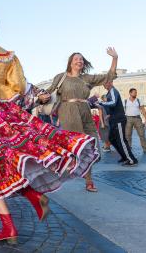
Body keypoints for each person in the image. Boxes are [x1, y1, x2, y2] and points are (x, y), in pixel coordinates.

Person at [0, 10, 99, 243]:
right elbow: (18, 86)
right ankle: (31, 195)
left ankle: (10, 225)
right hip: (5, 110)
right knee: (15, 151)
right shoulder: (9, 56)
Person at [47, 47, 118, 192]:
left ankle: (88, 179)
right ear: (71, 63)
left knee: (91, 147)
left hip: (85, 112)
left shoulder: (86, 78)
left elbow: (108, 77)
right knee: (75, 147)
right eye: (76, 59)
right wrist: (38, 97)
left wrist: (115, 58)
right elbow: (48, 92)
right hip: (68, 112)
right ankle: (62, 167)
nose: (79, 60)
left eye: (81, 59)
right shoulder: (61, 77)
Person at [100, 82, 138, 166]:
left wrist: (100, 103)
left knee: (121, 140)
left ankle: (131, 160)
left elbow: (113, 103)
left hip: (118, 120)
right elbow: (112, 106)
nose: (104, 85)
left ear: (111, 83)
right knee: (112, 138)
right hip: (113, 120)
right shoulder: (109, 93)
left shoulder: (113, 90)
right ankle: (124, 156)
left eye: (105, 83)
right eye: (103, 83)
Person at [124, 88, 146, 153]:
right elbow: (122, 111)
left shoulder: (138, 100)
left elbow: (143, 110)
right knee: (127, 135)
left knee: (142, 134)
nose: (136, 94)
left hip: (137, 119)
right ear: (130, 93)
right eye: (134, 92)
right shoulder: (125, 101)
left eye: (136, 92)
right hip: (128, 119)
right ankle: (128, 148)